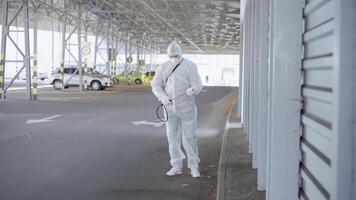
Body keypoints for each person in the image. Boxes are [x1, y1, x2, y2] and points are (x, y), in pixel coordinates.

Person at [151, 42, 203, 178]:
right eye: (172, 56)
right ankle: (176, 165)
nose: (174, 58)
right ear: (168, 55)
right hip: (169, 108)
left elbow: (197, 84)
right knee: (172, 138)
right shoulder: (163, 67)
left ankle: (193, 166)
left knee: (189, 137)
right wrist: (162, 96)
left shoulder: (190, 66)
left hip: (187, 107)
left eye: (176, 55)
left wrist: (193, 90)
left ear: (181, 54)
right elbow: (155, 84)